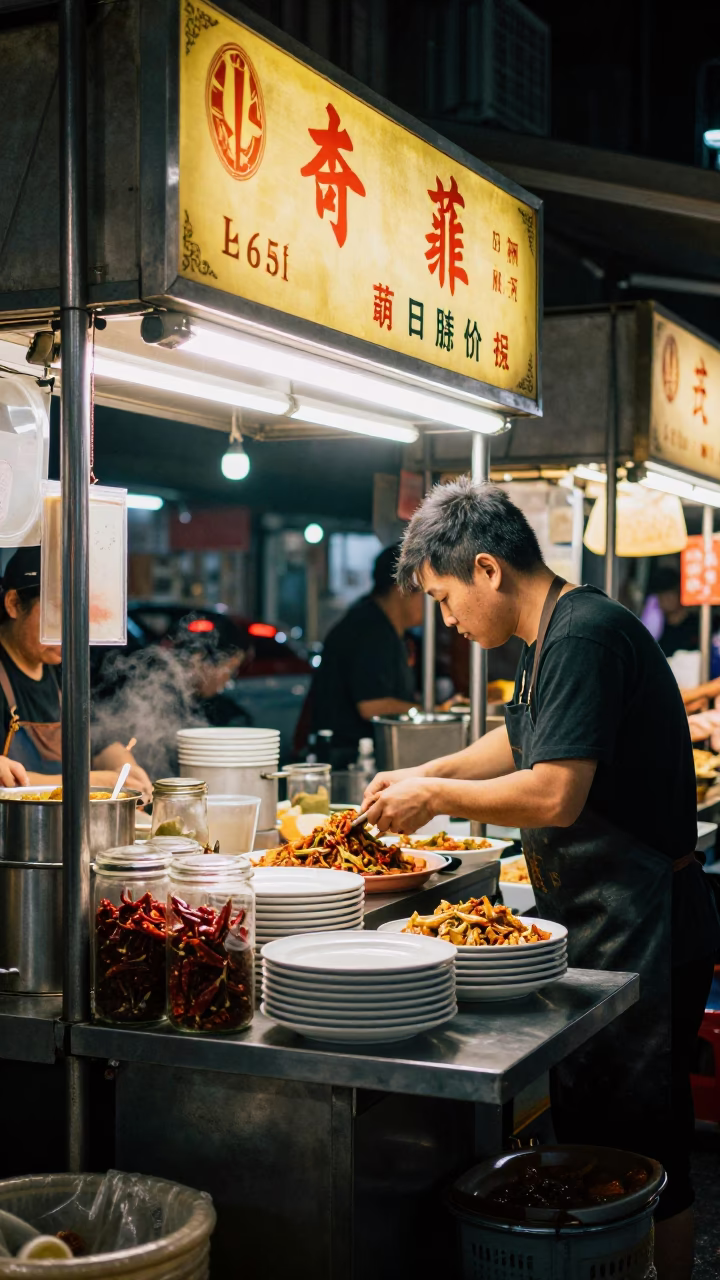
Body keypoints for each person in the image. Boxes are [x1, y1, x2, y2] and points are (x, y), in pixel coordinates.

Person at [362, 479, 720, 1280]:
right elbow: (521, 740)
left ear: (487, 569)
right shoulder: (549, 636)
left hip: (648, 924)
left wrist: (437, 795)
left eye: (445, 597)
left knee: (644, 1147)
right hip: (610, 920)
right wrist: (429, 770)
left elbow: (556, 792)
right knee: (603, 1131)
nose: (446, 619)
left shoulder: (585, 635)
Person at [0, 547, 151, 800]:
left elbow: (100, 741)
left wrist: (127, 770)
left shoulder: (64, 671)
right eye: (56, 616)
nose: (68, 632)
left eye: (78, 618)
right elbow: (6, 780)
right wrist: (90, 781)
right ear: (14, 604)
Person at [307, 543, 425, 768]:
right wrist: (428, 711)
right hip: (346, 763)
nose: (434, 604)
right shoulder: (370, 629)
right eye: (427, 592)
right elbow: (373, 705)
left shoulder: (389, 629)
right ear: (402, 588)